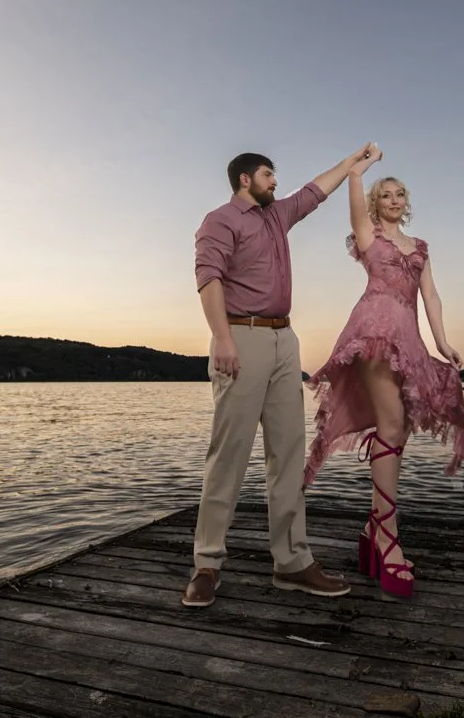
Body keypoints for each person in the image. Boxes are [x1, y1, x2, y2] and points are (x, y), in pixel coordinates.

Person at [182, 146, 373, 608]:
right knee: (229, 454)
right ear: (245, 179)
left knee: (288, 453)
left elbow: (314, 192)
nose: (275, 181)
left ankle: (291, 563)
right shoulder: (220, 220)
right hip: (240, 338)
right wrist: (222, 339)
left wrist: (352, 165)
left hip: (285, 341)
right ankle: (207, 564)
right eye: (268, 174)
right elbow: (208, 278)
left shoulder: (277, 216)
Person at [303, 145, 464, 600]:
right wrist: (360, 173)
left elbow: (431, 296)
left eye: (400, 194)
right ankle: (387, 534)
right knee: (393, 424)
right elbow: (355, 204)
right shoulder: (367, 236)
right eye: (387, 195)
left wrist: (441, 340)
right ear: (377, 204)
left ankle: (373, 529)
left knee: (395, 432)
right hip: (375, 330)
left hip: (409, 336)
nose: (394, 200)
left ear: (406, 202)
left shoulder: (419, 247)